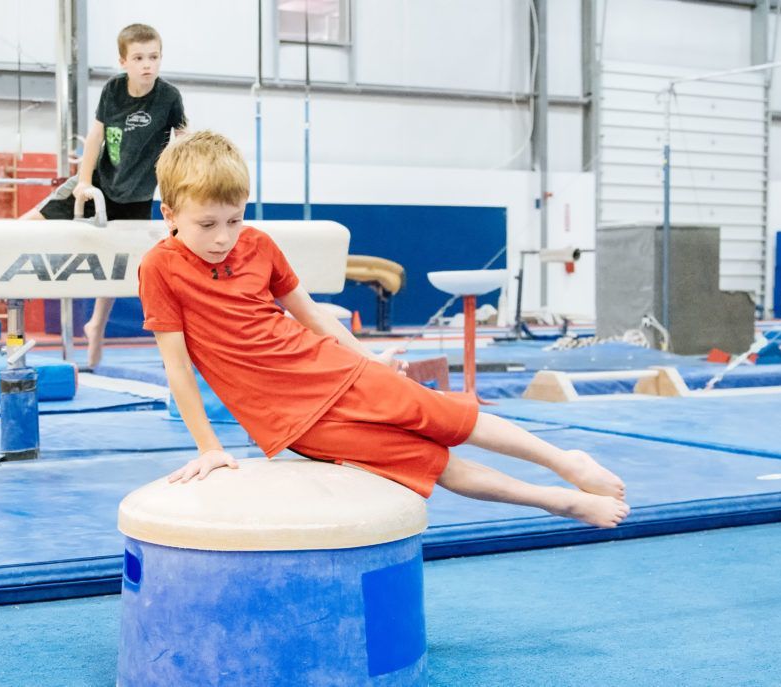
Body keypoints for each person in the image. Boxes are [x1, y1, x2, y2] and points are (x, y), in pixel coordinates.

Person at [138, 131, 630, 529]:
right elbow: (178, 367)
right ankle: (554, 501)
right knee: (431, 461)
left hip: (336, 371)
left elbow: (310, 314)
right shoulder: (160, 268)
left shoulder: (258, 244)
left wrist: (365, 358)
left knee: (450, 418)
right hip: (295, 420)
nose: (224, 236)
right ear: (170, 214)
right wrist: (209, 447)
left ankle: (565, 461)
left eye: (234, 219)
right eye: (207, 224)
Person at [23, 23, 187, 369]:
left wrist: (183, 188)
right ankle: (11, 294)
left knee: (116, 262)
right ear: (123, 61)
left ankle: (96, 325)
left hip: (137, 194)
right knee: (26, 225)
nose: (148, 65)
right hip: (98, 182)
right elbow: (96, 137)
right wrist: (83, 181)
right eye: (139, 58)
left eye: (154, 57)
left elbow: (183, 141)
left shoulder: (169, 97)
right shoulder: (113, 90)